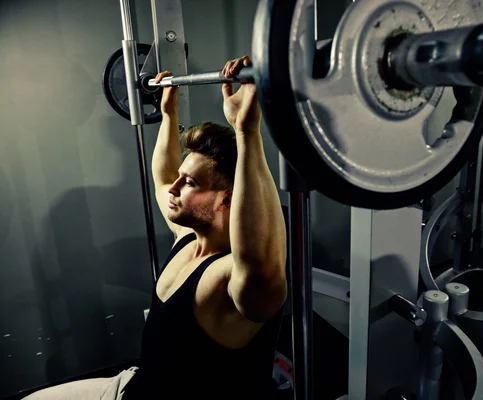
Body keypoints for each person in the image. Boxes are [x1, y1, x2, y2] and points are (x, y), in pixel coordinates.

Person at [24, 55, 288, 399]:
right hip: (135, 385)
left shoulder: (229, 277)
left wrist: (246, 131)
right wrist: (168, 115)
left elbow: (262, 265)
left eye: (190, 182)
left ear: (227, 199)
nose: (174, 189)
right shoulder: (188, 238)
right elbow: (163, 177)